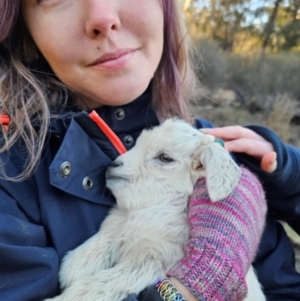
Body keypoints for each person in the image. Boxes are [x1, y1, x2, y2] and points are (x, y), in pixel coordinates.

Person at [0, 1, 299, 300]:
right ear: (20, 24)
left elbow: (285, 290)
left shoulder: (208, 148)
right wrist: (186, 290)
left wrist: (289, 180)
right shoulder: (9, 175)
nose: (104, 19)